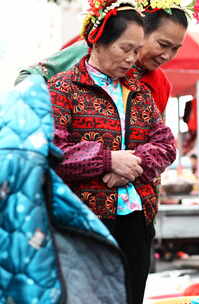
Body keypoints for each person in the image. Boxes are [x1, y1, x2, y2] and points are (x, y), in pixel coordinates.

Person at [48, 1, 176, 303]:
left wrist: (132, 164)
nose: (133, 58)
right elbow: (55, 151)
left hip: (136, 216)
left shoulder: (139, 91)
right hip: (84, 220)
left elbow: (166, 145)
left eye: (137, 50)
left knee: (132, 296)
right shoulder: (62, 89)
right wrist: (108, 160)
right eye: (125, 48)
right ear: (97, 40)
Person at [16, 0, 199, 114]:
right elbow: (29, 76)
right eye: (163, 44)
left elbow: (158, 138)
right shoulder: (94, 53)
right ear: (140, 31)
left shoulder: (161, 84)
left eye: (175, 48)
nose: (167, 55)